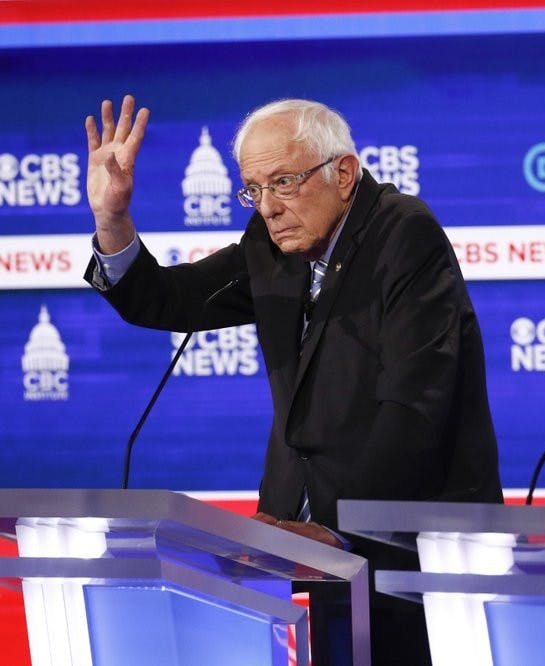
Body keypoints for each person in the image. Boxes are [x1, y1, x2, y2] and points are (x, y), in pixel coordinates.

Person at [84, 95, 503, 665]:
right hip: (305, 555)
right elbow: (169, 299)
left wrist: (336, 531)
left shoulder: (405, 235)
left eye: (282, 182)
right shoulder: (273, 242)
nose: (267, 207)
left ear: (344, 173)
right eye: (253, 189)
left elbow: (414, 405)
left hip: (412, 553)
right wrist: (112, 219)